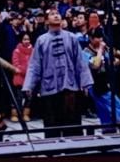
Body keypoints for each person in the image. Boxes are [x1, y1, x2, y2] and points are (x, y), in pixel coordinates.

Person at [22, 10, 93, 138]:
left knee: (72, 126)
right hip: (49, 87)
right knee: (52, 126)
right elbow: (35, 65)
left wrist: (85, 82)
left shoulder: (71, 38)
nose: (56, 15)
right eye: (52, 14)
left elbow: (80, 61)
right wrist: (29, 85)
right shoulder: (41, 40)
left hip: (70, 85)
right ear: (47, 20)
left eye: (58, 13)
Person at [83, 28, 120, 131]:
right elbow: (95, 65)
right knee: (111, 106)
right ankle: (117, 125)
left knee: (106, 108)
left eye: (101, 37)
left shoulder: (106, 50)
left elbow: (112, 62)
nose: (100, 39)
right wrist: (100, 51)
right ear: (91, 39)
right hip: (95, 84)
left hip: (106, 81)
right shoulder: (85, 52)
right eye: (97, 37)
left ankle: (109, 128)